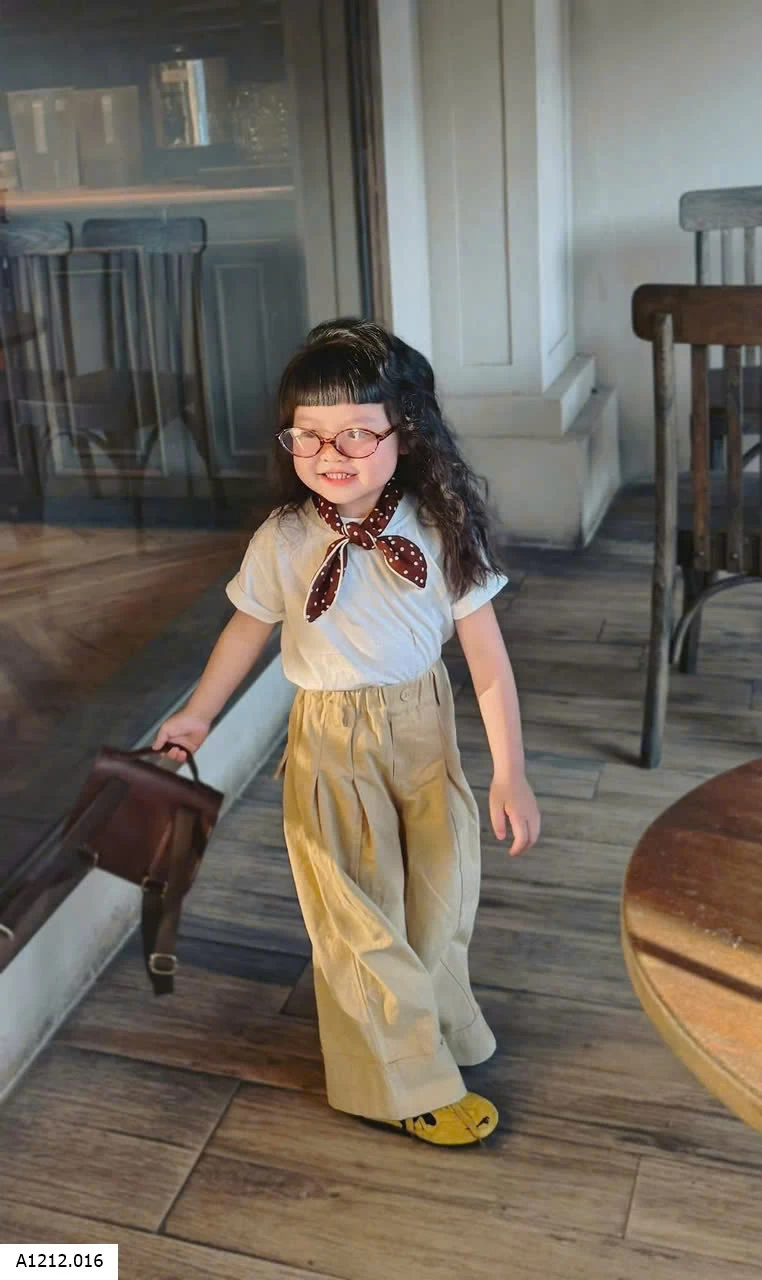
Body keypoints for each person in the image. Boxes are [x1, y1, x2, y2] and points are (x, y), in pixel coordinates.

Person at [153, 318, 541, 1147]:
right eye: (310, 435)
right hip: (331, 742)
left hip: (423, 728)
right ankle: (399, 1085)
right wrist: (198, 713)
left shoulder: (440, 528)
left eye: (358, 433)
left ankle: (439, 1024)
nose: (333, 454)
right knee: (360, 918)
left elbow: (489, 662)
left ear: (407, 431)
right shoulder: (285, 538)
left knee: (440, 892)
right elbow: (245, 630)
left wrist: (509, 770)